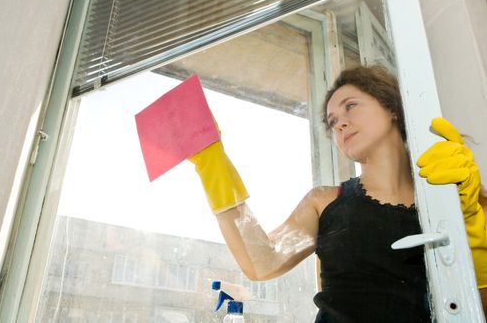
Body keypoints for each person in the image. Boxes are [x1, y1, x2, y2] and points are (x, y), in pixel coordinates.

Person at [189, 65, 487, 322]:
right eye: (332, 121)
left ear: (392, 107)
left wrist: (471, 224)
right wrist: (211, 161)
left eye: (351, 106)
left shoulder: (456, 198)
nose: (340, 123)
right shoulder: (325, 201)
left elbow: (479, 310)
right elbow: (262, 261)